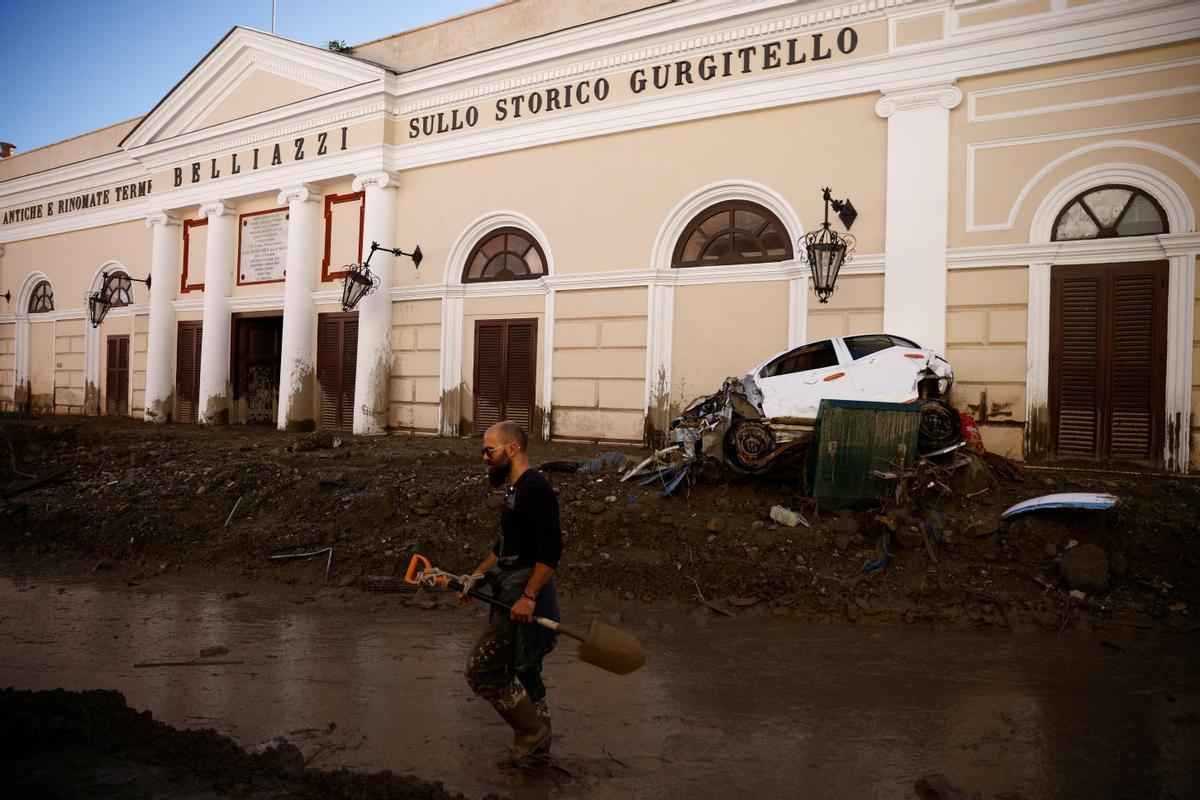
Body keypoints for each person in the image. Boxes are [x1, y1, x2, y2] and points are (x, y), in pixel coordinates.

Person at [460, 420, 563, 769]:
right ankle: (537, 755)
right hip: (509, 593)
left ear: (512, 449)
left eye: (490, 451)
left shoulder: (536, 488)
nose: (484, 457)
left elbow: (551, 551)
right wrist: (474, 577)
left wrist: (529, 597)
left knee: (481, 669)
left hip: (526, 599)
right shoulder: (514, 490)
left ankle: (532, 736)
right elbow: (503, 547)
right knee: (526, 672)